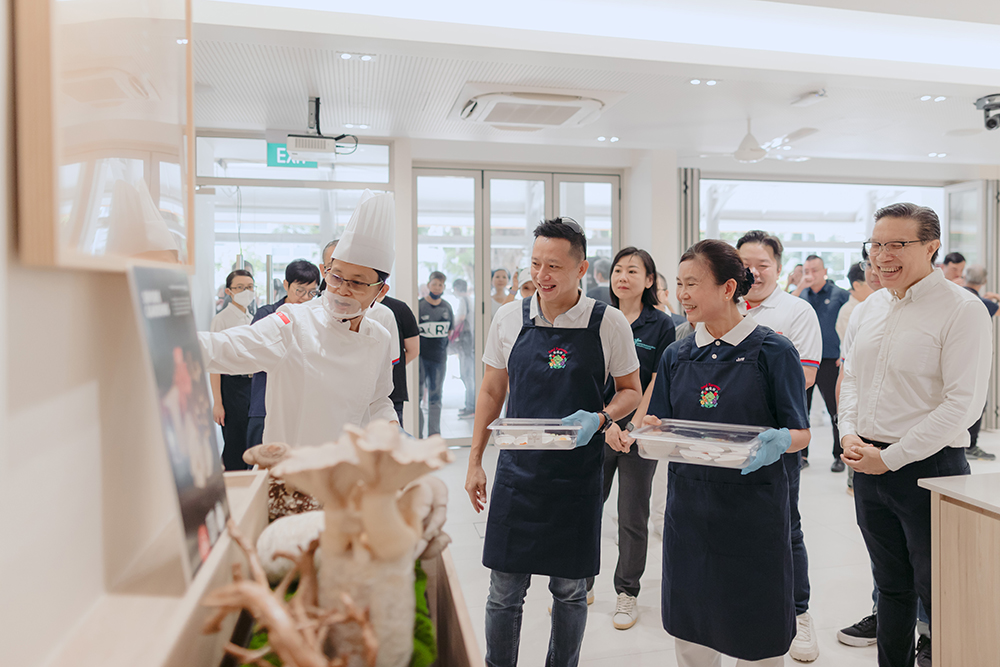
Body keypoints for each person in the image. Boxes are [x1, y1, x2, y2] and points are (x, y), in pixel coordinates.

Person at [465, 217, 642, 667]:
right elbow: (491, 391)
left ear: (581, 269)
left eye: (554, 267)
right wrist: (475, 461)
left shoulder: (608, 322)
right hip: (518, 476)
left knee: (570, 592)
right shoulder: (509, 317)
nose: (541, 275)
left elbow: (631, 391)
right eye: (535, 264)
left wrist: (600, 417)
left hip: (576, 477)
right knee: (504, 592)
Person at [645, 239, 810, 667]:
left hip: (752, 511)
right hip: (690, 509)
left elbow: (801, 432)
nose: (682, 294)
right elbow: (661, 422)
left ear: (728, 287)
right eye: (679, 284)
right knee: (693, 628)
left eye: (692, 284)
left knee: (756, 628)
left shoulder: (773, 350)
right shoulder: (676, 354)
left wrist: (779, 441)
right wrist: (641, 432)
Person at [839, 203, 992, 667]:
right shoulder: (870, 308)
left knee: (940, 591)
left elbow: (962, 405)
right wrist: (848, 433)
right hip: (867, 465)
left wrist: (892, 458)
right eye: (876, 244)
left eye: (897, 244)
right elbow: (853, 379)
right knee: (890, 586)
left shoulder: (962, 309)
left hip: (930, 469)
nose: (882, 255)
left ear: (931, 247)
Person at [198, 190, 399, 448]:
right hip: (292, 467)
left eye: (357, 283)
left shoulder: (380, 337)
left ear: (380, 292)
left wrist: (391, 427)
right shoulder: (294, 323)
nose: (341, 290)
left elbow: (379, 399)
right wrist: (163, 339)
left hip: (348, 466)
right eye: (336, 277)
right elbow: (228, 347)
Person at [735, 230, 823, 663]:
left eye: (762, 265)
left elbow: (804, 377)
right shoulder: (724, 306)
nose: (753, 273)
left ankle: (799, 613)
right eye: (744, 265)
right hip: (726, 442)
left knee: (786, 526)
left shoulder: (796, 311)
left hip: (779, 439)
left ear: (779, 267)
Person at [585, 247, 675, 630]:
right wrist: (607, 424)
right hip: (600, 429)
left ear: (649, 280)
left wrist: (633, 428)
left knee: (633, 516)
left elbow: (655, 381)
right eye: (618, 270)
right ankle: (581, 583)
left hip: (639, 432)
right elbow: (590, 378)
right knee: (586, 508)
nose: (623, 277)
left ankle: (627, 592)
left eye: (633, 271)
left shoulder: (662, 324)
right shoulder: (597, 317)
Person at [246, 260, 320, 451]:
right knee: (262, 460)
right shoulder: (267, 314)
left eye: (312, 293)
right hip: (264, 404)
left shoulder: (318, 320)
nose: (305, 298)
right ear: (286, 285)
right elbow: (252, 357)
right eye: (300, 290)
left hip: (303, 407)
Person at [797, 255, 850, 471]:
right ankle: (801, 456)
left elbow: (851, 321)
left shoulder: (840, 294)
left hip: (830, 360)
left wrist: (845, 352)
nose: (811, 274)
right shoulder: (801, 294)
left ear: (824, 271)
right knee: (801, 410)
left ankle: (840, 455)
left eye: (815, 270)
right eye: (807, 270)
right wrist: (800, 286)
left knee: (835, 410)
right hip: (804, 360)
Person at [210, 269, 255, 470]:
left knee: (250, 438)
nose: (246, 291)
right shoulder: (221, 320)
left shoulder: (252, 318)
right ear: (229, 291)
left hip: (251, 384)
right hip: (231, 385)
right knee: (234, 441)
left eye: (250, 287)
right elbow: (214, 363)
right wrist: (218, 403)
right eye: (240, 287)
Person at [960, 264, 998, 461]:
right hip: (974, 359)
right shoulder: (984, 303)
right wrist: (996, 298)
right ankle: (970, 445)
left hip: (955, 357)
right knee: (977, 400)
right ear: (984, 281)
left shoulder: (957, 296)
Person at [418, 271, 454, 437]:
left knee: (435, 397)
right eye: (434, 284)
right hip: (420, 357)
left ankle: (434, 435)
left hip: (439, 358)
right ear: (428, 285)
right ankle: (417, 434)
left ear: (444, 287)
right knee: (418, 396)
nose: (437, 287)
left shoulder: (446, 307)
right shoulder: (419, 306)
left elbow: (450, 331)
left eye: (440, 285)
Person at [379, 292, 420, 427]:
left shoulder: (399, 309)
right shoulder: (350, 309)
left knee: (393, 435)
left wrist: (386, 371)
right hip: (359, 392)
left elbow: (413, 350)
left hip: (393, 390)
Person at [453, 278, 477, 418]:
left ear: (456, 289)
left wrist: (452, 326)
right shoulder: (471, 299)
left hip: (466, 342)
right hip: (472, 342)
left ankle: (471, 407)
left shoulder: (463, 300)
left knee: (467, 375)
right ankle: (470, 405)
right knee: (469, 375)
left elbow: (460, 318)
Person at [835, 261, 874, 343]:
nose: (875, 287)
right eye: (871, 282)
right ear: (857, 286)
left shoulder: (872, 305)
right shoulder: (848, 311)